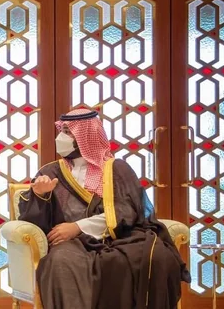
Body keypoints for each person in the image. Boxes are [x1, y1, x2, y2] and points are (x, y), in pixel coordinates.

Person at [19, 108, 189, 309]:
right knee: (60, 261)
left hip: (120, 236)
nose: (60, 138)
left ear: (85, 137)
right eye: (61, 131)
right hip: (71, 243)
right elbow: (33, 221)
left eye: (67, 132)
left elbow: (128, 211)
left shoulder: (116, 169)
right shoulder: (50, 172)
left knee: (156, 257)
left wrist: (78, 227)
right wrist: (40, 196)